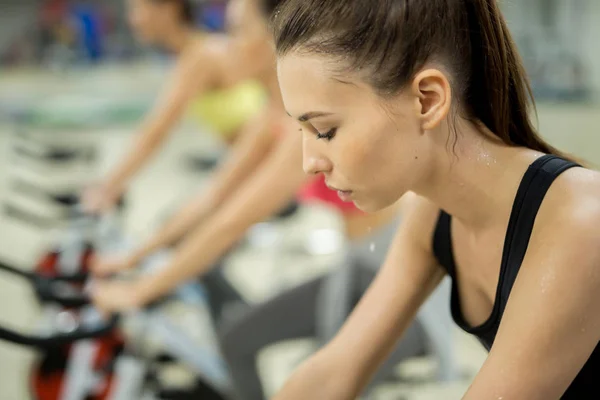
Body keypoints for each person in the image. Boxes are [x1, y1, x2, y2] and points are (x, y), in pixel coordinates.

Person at [89, 0, 457, 397]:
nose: (228, 46)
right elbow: (213, 196)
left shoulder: (305, 122)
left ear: (275, 36)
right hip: (355, 269)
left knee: (276, 363)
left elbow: (231, 223)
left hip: (400, 285)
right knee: (241, 339)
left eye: (239, 31)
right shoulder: (271, 116)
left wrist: (141, 290)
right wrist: (133, 260)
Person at [266, 0, 600, 399]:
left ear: (427, 99)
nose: (310, 163)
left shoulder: (580, 222)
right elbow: (330, 376)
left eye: (324, 131)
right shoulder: (434, 214)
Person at [83, 0, 274, 212]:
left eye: (138, 9)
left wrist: (108, 187)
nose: (133, 19)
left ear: (169, 8)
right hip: (250, 176)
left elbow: (157, 130)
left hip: (271, 180)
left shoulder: (202, 56)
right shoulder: (198, 53)